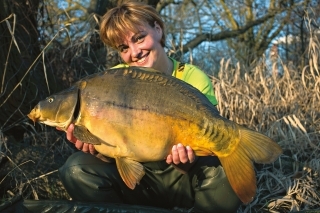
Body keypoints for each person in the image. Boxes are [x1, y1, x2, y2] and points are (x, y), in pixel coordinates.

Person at [58, 1, 241, 212]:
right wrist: (96, 150)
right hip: (137, 180)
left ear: (158, 29)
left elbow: (210, 143)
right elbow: (115, 146)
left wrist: (185, 163)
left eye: (139, 38)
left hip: (182, 177)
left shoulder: (193, 77)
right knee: (75, 169)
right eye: (123, 48)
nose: (134, 52)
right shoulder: (112, 81)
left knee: (225, 172)